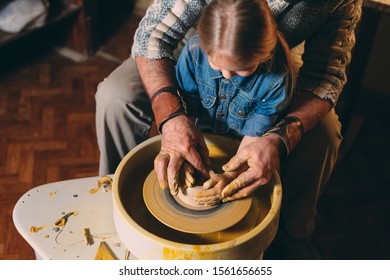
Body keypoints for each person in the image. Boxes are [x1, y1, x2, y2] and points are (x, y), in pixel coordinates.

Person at [95, 0, 363, 259]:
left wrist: (275, 138)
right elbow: (153, 37)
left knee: (325, 135)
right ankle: (117, 201)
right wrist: (174, 116)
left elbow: (325, 77)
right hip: (199, 50)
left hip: (264, 67)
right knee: (115, 96)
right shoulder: (197, 51)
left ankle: (291, 235)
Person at [174, 0, 295, 204]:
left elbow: (255, 135)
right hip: (201, 136)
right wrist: (186, 151)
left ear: (264, 54)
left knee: (262, 193)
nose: (228, 75)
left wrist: (232, 175)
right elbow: (185, 112)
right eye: (216, 65)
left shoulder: (276, 78)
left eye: (241, 68)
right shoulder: (194, 52)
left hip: (245, 145)